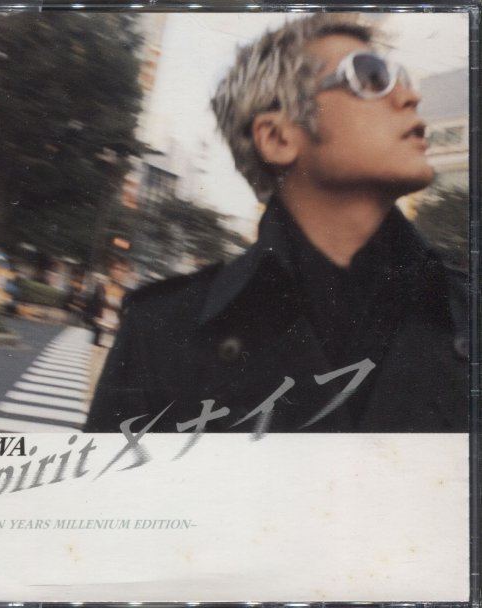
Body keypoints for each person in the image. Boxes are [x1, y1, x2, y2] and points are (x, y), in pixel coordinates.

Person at [85, 14, 468, 434]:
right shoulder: (159, 333)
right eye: (371, 76)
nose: (411, 96)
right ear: (278, 137)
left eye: (403, 79)